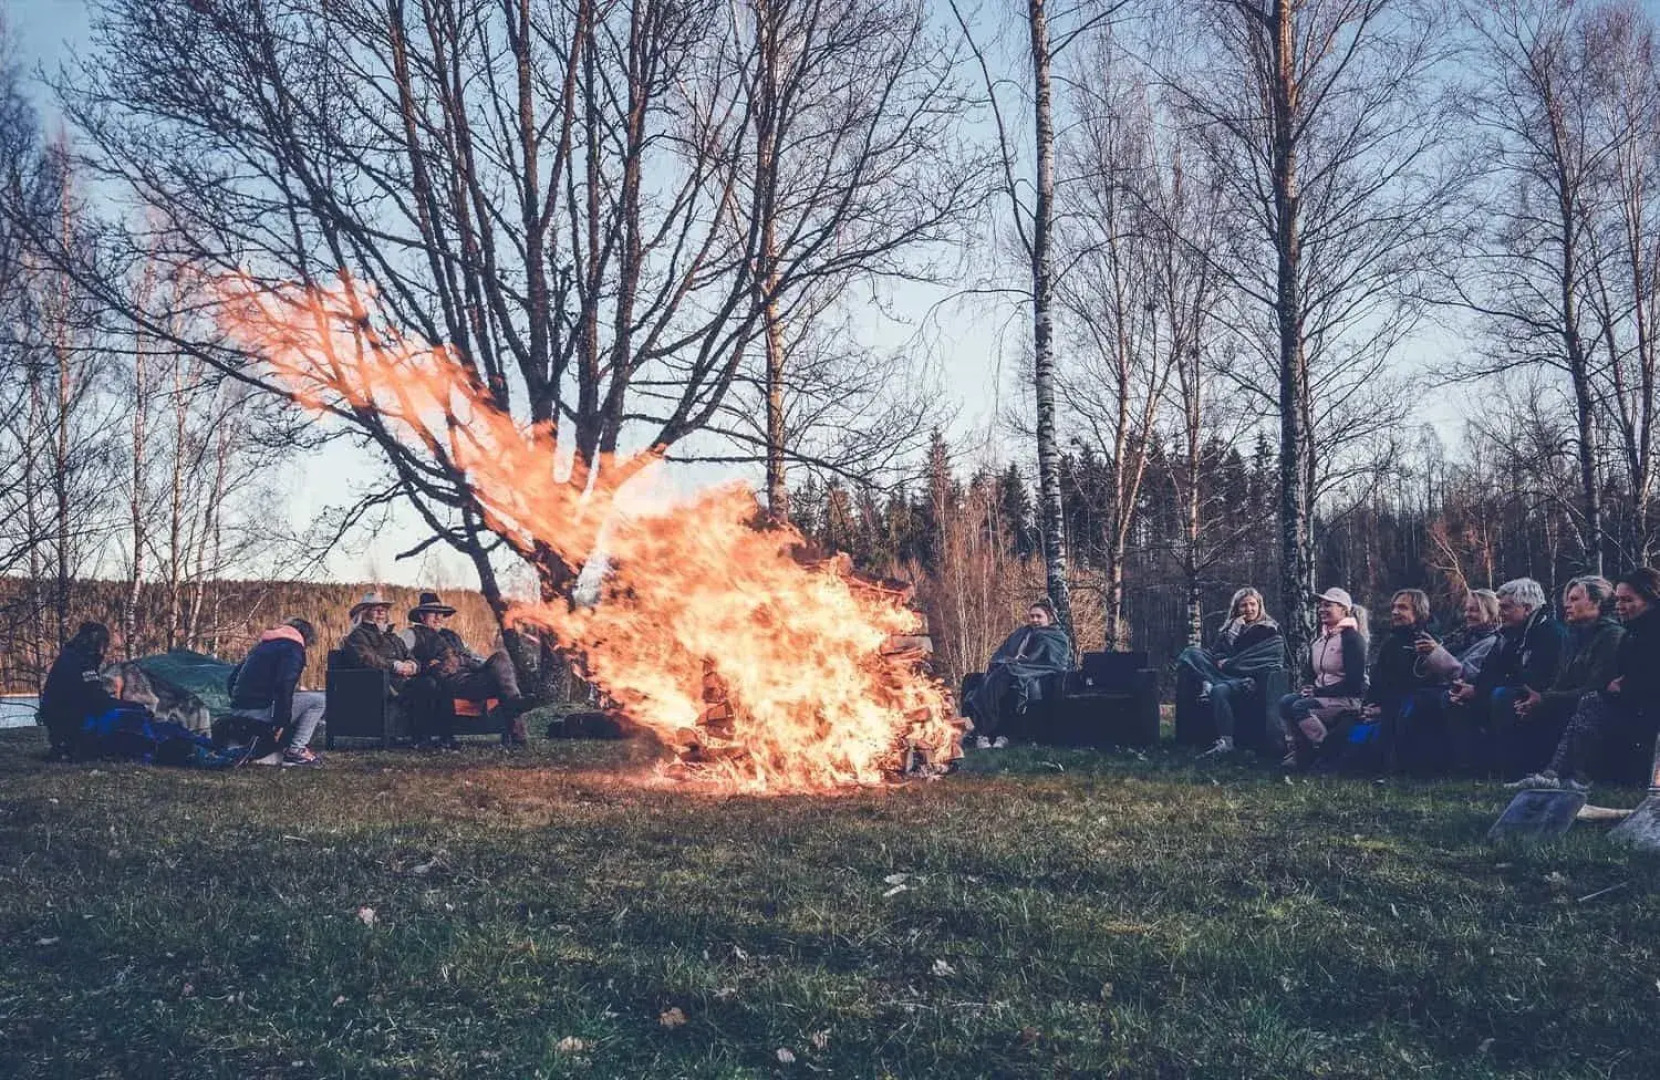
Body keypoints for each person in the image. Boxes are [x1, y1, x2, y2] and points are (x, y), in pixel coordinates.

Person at [1508, 568, 1660, 792]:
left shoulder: (1627, 634)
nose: (1621, 606)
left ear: (1651, 600)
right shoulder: (1628, 633)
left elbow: (1638, 680)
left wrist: (1623, 686)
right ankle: (1552, 773)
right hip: (1632, 704)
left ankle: (1573, 776)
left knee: (1591, 702)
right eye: (1618, 599)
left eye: (1628, 600)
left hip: (1645, 710)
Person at [1492, 576, 1622, 781]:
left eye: (1575, 599)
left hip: (1594, 705)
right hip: (1567, 700)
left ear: (1596, 602)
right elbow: (1559, 682)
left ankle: (1551, 774)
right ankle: (1516, 772)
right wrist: (1538, 700)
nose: (1567, 605)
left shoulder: (1611, 636)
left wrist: (1544, 699)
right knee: (1521, 703)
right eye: (1567, 600)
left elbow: (1595, 687)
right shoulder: (1572, 637)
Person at [1449, 577, 1565, 776]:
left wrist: (1481, 691)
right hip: (1510, 690)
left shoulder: (1549, 633)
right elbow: (1490, 670)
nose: (1501, 613)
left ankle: (1511, 769)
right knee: (1453, 698)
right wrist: (1473, 689)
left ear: (1527, 609)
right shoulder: (1510, 634)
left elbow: (1535, 678)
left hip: (1542, 697)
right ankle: (1467, 767)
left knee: (1501, 696)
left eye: (1506, 608)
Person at [1392, 589, 1502, 775]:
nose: (1468, 615)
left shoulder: (1492, 642)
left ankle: (1452, 766)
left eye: (1474, 610)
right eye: (1467, 610)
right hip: (1444, 689)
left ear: (1490, 613)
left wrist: (1436, 653)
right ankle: (1408, 764)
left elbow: (1467, 673)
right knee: (1412, 699)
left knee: (1425, 702)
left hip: (1467, 692)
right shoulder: (1462, 637)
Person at [400, 591, 528, 748]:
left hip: (471, 677)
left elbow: (472, 655)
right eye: (434, 613)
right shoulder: (412, 634)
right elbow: (401, 657)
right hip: (449, 681)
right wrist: (426, 666)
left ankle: (516, 716)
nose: (439, 618)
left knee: (500, 659)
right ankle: (517, 727)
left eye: (441, 614)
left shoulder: (453, 636)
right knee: (503, 686)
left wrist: (483, 665)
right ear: (422, 616)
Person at [1176, 587, 1284, 755]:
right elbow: (1216, 652)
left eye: (1252, 604)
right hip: (1223, 673)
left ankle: (1210, 685)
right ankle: (1209, 682)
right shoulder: (1230, 628)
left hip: (1247, 678)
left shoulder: (1268, 630)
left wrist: (1229, 663)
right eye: (1243, 606)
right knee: (1191, 653)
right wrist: (1233, 633)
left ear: (1259, 606)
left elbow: (1262, 657)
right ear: (1236, 609)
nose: (1248, 609)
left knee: (1218, 690)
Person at [1278, 587, 1368, 769]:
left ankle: (1327, 753)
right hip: (1322, 697)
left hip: (1346, 700)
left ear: (1344, 609)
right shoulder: (1319, 641)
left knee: (1300, 706)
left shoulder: (1352, 639)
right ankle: (1299, 751)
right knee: (1286, 701)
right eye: (1320, 605)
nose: (1321, 609)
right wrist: (1308, 688)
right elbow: (1311, 675)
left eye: (1328, 605)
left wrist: (1318, 691)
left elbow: (1355, 682)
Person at [963, 599, 1072, 749]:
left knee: (1008, 672)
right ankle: (988, 733)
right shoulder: (1022, 633)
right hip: (1013, 668)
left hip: (1041, 670)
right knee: (988, 677)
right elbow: (1002, 653)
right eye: (1032, 616)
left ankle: (988, 732)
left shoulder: (1056, 636)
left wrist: (1024, 663)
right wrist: (1008, 661)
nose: (1035, 620)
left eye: (1039, 616)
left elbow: (1057, 662)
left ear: (1049, 618)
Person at [228, 618, 326, 766]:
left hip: (237, 711)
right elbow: (284, 687)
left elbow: (232, 680)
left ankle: (282, 748)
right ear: (306, 638)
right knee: (319, 700)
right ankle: (296, 750)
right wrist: (281, 723)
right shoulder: (293, 648)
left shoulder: (261, 647)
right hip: (259, 713)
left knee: (297, 699)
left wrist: (240, 703)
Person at [1361, 590, 1439, 768]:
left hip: (1407, 708)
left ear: (1418, 612)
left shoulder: (1428, 642)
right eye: (1393, 607)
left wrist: (1384, 708)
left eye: (1402, 607)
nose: (1395, 612)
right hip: (1383, 707)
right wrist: (1368, 705)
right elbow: (1378, 681)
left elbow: (1418, 684)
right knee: (1351, 734)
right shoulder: (1391, 642)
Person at [38, 621, 121, 760]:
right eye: (103, 644)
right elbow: (96, 697)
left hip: (56, 714)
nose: (104, 650)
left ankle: (66, 745)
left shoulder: (69, 656)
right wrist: (121, 703)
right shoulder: (82, 662)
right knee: (116, 714)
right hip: (67, 716)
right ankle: (77, 745)